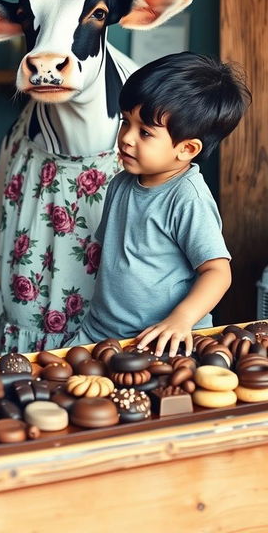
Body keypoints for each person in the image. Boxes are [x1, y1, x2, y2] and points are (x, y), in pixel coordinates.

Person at [65, 52, 251, 357]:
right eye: (126, 122)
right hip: (100, 332)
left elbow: (218, 272)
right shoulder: (120, 183)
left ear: (186, 149)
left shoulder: (187, 197)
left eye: (145, 132)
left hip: (162, 341)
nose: (126, 138)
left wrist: (181, 320)